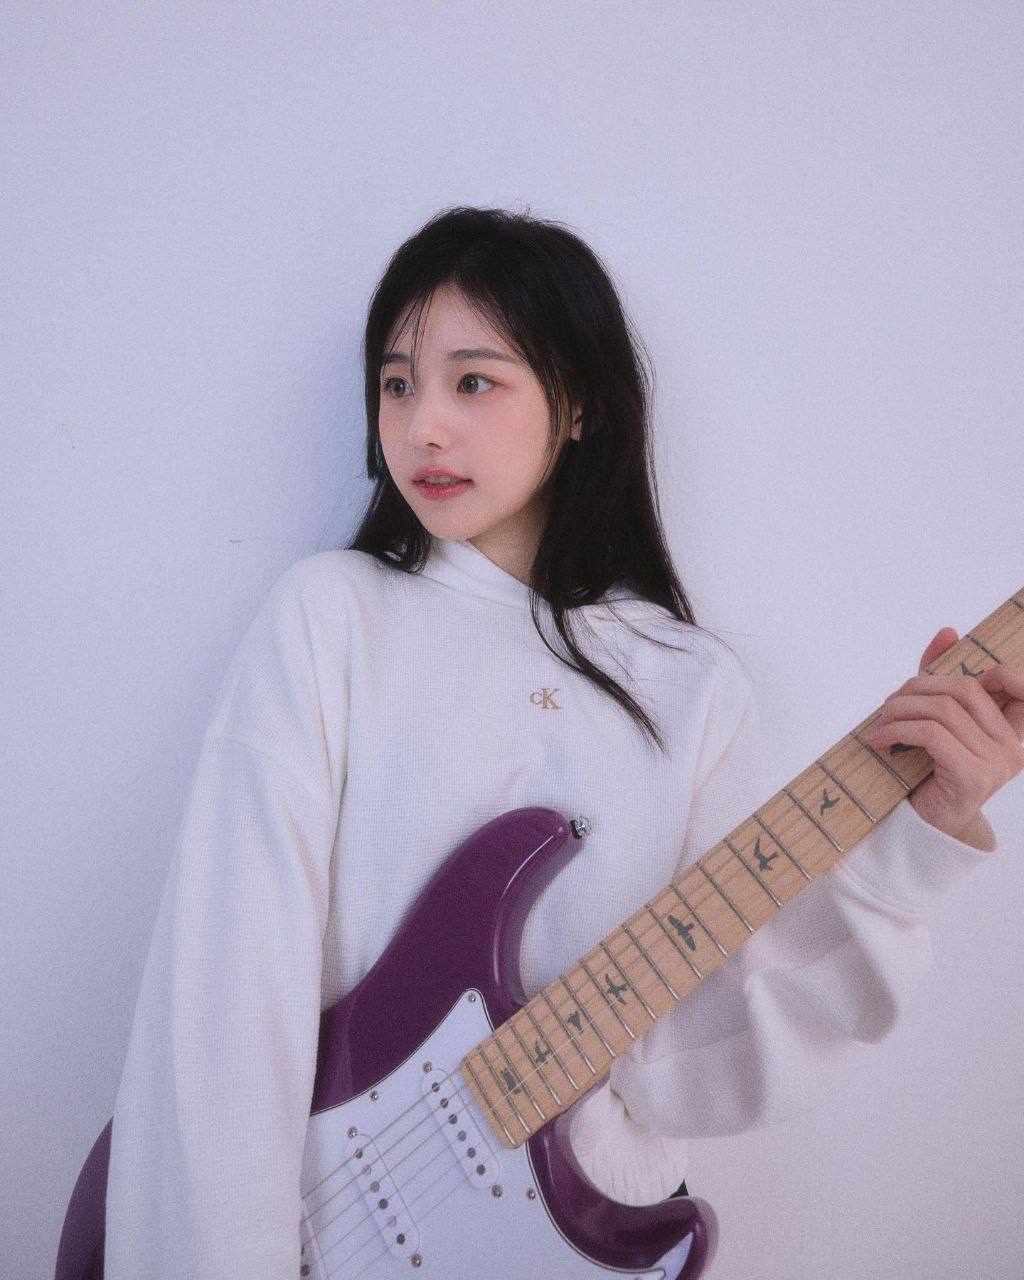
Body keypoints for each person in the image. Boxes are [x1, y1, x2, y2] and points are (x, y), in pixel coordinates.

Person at [103, 205, 1019, 1275]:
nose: (422, 426)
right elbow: (224, 993)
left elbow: (697, 1056)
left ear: (578, 403)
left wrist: (923, 833)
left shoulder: (690, 683)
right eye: (396, 384)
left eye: (472, 382)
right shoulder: (332, 615)